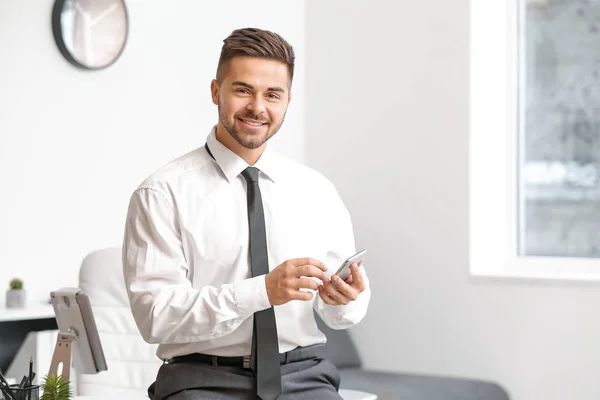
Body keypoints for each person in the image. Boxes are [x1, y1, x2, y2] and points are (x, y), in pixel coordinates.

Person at [122, 27, 371, 400]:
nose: (258, 107)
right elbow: (155, 316)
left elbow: (338, 312)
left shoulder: (316, 190)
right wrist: (262, 291)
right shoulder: (162, 193)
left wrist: (346, 298)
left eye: (273, 94)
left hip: (304, 377)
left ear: (288, 100)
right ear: (214, 91)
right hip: (201, 380)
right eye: (243, 90)